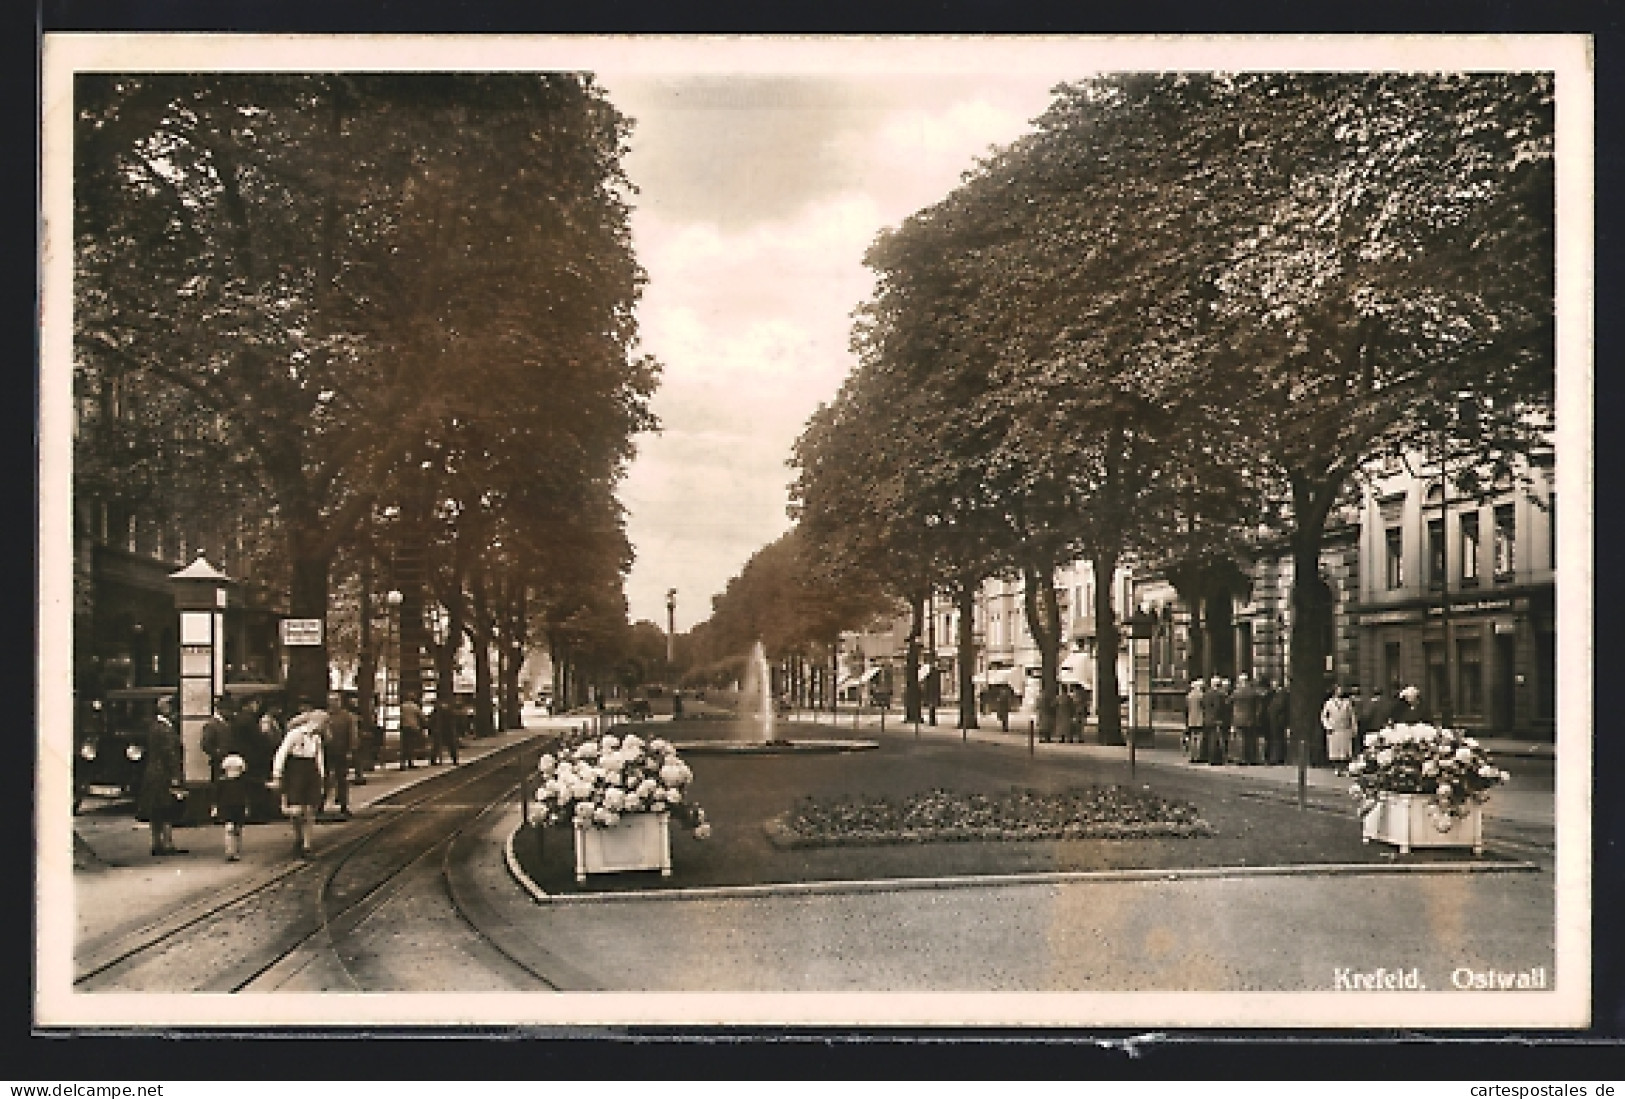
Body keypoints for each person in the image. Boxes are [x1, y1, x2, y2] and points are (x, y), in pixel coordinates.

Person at [272, 701, 327, 858]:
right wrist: (277, 773)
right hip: (296, 770)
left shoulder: (316, 739)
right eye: (323, 723)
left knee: (310, 809)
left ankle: (307, 845)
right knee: (296, 810)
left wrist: (321, 777)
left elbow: (319, 758)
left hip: (311, 771)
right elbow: (281, 753)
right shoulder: (295, 734)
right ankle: (298, 837)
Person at [138, 695, 187, 856]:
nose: (174, 711)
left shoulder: (154, 726)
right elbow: (170, 753)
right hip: (164, 774)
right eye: (171, 707)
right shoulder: (165, 729)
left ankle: (157, 842)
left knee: (156, 810)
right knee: (167, 809)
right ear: (165, 709)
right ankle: (167, 843)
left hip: (153, 773)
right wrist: (175, 776)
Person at [323, 692, 356, 816]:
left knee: (342, 779)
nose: (333, 703)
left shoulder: (347, 717)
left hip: (341, 751)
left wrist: (351, 750)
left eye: (336, 700)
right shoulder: (325, 716)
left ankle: (343, 805)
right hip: (326, 751)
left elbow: (352, 734)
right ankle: (321, 805)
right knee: (324, 778)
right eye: (331, 700)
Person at [213, 752, 250, 861]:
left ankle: (236, 850)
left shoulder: (242, 782)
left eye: (237, 769)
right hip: (226, 807)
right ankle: (229, 851)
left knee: (238, 830)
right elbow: (216, 795)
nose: (234, 772)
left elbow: (245, 795)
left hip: (239, 807)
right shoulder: (221, 782)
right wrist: (215, 807)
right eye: (230, 769)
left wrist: (247, 807)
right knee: (229, 828)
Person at [1321, 684, 1359, 775]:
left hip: (1345, 729)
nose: (1340, 692)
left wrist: (1354, 728)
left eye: (1341, 690)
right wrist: (1328, 726)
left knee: (1345, 750)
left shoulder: (1347, 703)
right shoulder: (1329, 703)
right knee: (1335, 750)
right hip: (1334, 729)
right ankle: (1336, 767)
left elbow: (1352, 716)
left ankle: (1344, 767)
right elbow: (1323, 716)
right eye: (1338, 690)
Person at [1229, 673, 1262, 765]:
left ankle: (1241, 758)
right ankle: (1252, 758)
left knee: (1240, 738)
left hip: (1238, 718)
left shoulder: (1236, 692)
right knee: (1251, 739)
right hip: (1250, 718)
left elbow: (1229, 701)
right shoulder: (1252, 692)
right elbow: (1259, 706)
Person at [1202, 676, 1227, 766]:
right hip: (1215, 719)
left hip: (1207, 718)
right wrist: (1218, 718)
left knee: (1209, 739)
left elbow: (1203, 705)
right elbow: (1217, 707)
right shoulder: (1217, 695)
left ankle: (1209, 757)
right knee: (1214, 739)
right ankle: (1214, 759)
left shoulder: (1206, 694)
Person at [428, 697, 459, 767]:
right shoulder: (448, 710)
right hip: (447, 730)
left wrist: (431, 730)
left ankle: (433, 760)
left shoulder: (435, 712)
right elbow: (453, 720)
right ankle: (454, 760)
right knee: (451, 745)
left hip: (440, 730)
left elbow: (431, 721)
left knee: (436, 746)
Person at [1267, 681, 1291, 765]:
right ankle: (1276, 757)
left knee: (1278, 739)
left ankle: (1278, 758)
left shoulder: (1282, 694)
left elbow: (1279, 706)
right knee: (1276, 738)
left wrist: (1271, 710)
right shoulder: (1276, 695)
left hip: (1278, 720)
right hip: (1275, 720)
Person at [398, 693, 423, 769]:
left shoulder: (403, 706)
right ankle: (410, 762)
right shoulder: (415, 707)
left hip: (404, 727)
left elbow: (401, 716)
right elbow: (421, 716)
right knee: (411, 746)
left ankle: (402, 763)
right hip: (413, 727)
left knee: (404, 745)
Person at [1184, 677, 1206, 762]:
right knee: (1199, 739)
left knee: (1193, 738)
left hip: (1191, 719)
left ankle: (1192, 756)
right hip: (1199, 719)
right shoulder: (1201, 696)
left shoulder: (1189, 696)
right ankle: (1198, 756)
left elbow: (1187, 708)